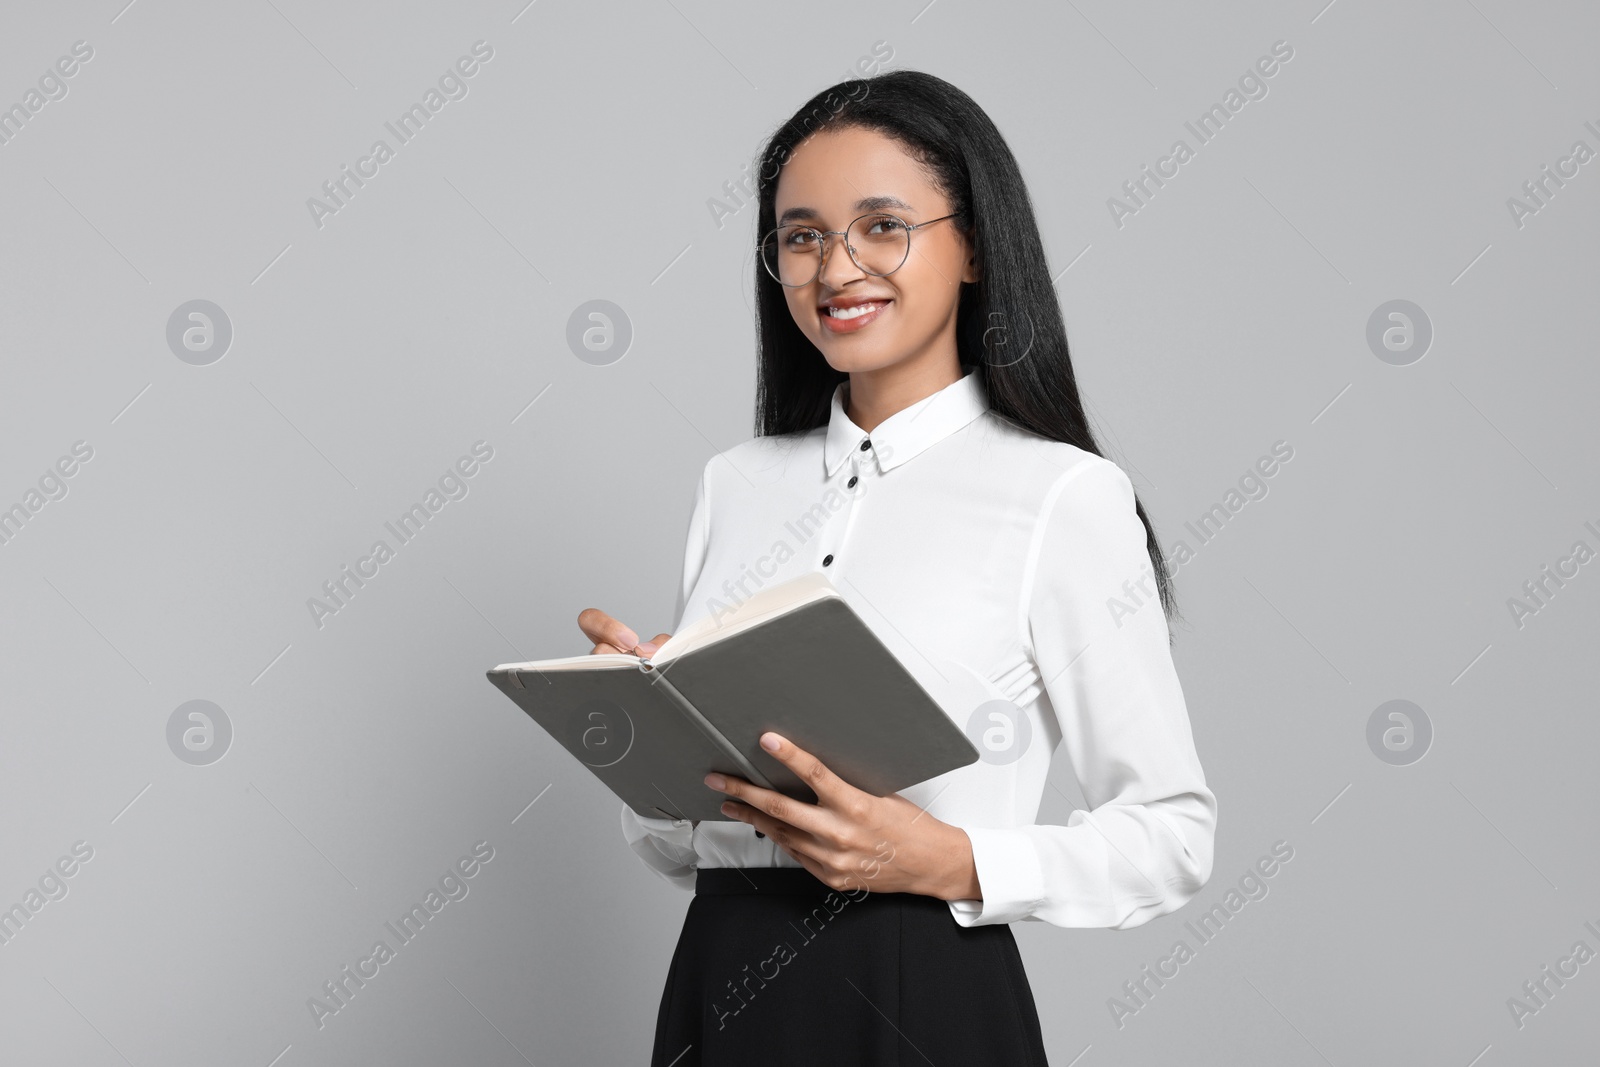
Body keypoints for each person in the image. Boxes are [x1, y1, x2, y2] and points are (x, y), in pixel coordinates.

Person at [579, 69, 1217, 1066]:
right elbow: (673, 846)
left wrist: (953, 858)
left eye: (882, 226)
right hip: (720, 976)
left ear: (971, 246)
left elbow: (1171, 837)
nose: (837, 268)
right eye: (801, 236)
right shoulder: (735, 484)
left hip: (919, 989)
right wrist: (652, 733)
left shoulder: (1059, 495)